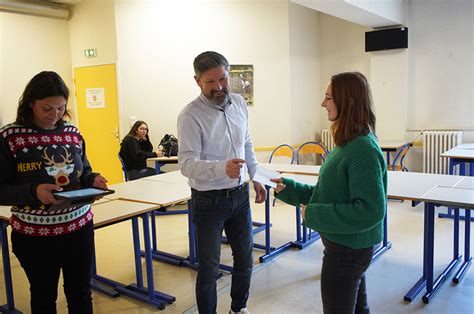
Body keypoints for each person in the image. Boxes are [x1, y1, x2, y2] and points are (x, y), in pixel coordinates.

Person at [272, 72, 387, 314]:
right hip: (347, 246)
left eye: (328, 98)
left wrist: (313, 214)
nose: (323, 104)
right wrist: (289, 189)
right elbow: (329, 193)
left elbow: (370, 211)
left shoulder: (362, 149)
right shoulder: (348, 143)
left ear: (347, 101)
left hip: (348, 251)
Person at [0, 71, 108, 313]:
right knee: (44, 297)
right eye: (47, 108)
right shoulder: (10, 137)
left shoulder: (72, 133)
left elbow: (84, 171)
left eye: (60, 108)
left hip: (78, 228)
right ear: (30, 103)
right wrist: (33, 191)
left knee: (80, 294)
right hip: (34, 237)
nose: (54, 115)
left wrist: (94, 180)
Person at [178, 51, 267, 314]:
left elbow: (246, 144)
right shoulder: (190, 116)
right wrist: (221, 168)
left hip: (239, 197)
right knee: (209, 269)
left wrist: (256, 176)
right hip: (208, 201)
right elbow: (187, 164)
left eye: (223, 79)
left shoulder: (238, 102)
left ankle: (238, 308)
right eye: (210, 82)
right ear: (197, 81)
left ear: (229, 75)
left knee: (245, 260)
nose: (218, 87)